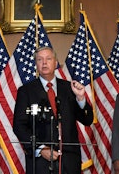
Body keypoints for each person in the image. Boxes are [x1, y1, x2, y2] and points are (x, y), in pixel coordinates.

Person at [13, 46, 93, 174]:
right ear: (36, 64)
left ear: (55, 63)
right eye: (40, 59)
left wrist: (81, 97)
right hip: (40, 164)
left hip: (69, 162)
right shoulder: (26, 91)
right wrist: (41, 148)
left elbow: (87, 120)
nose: (44, 63)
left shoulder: (69, 88)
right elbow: (19, 126)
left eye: (48, 59)